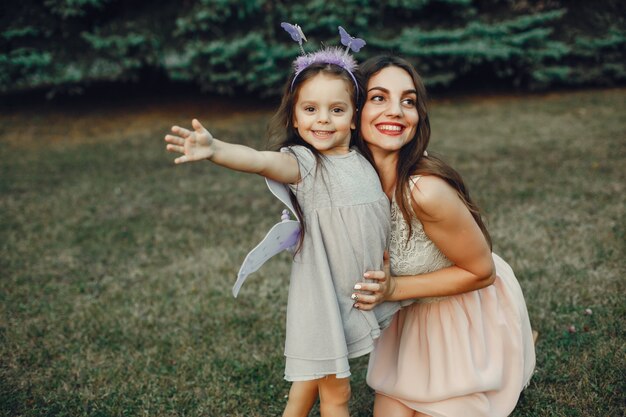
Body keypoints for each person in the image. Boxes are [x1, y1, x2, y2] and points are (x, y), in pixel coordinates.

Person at [164, 35, 399, 417]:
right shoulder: (303, 164)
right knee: (336, 392)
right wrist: (216, 149)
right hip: (326, 297)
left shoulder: (362, 160)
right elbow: (259, 160)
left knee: (308, 381)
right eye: (310, 109)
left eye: (336, 110)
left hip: (360, 290)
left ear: (354, 117)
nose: (322, 119)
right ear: (294, 116)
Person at [352, 55, 536, 417]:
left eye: (408, 101)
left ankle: (513, 346)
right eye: (378, 98)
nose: (396, 111)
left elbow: (482, 272)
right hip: (410, 327)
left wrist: (392, 290)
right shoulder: (352, 185)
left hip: (467, 314)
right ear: (354, 111)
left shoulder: (424, 191)